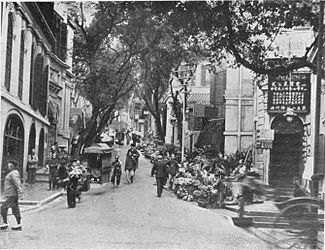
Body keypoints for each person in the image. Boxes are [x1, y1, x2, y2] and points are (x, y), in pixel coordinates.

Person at [0, 160, 23, 230]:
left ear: (14, 167)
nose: (9, 167)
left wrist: (21, 194)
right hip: (12, 194)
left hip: (12, 195)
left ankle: (5, 223)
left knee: (3, 207)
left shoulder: (13, 173)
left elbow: (17, 184)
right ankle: (18, 224)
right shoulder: (12, 173)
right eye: (8, 165)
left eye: (10, 166)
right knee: (15, 209)